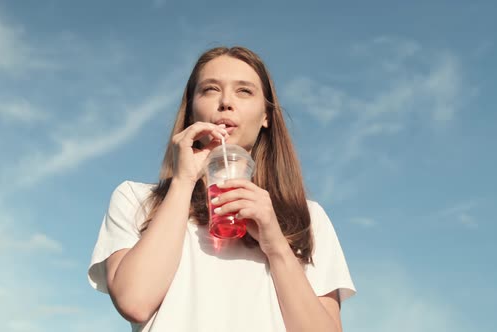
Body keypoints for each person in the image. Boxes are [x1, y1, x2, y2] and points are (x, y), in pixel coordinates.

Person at [88, 46, 356, 331]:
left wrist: (276, 245)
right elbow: (135, 301)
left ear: (266, 116)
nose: (226, 102)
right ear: (191, 110)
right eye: (210, 89)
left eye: (244, 91)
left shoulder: (309, 218)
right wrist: (182, 182)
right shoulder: (135, 198)